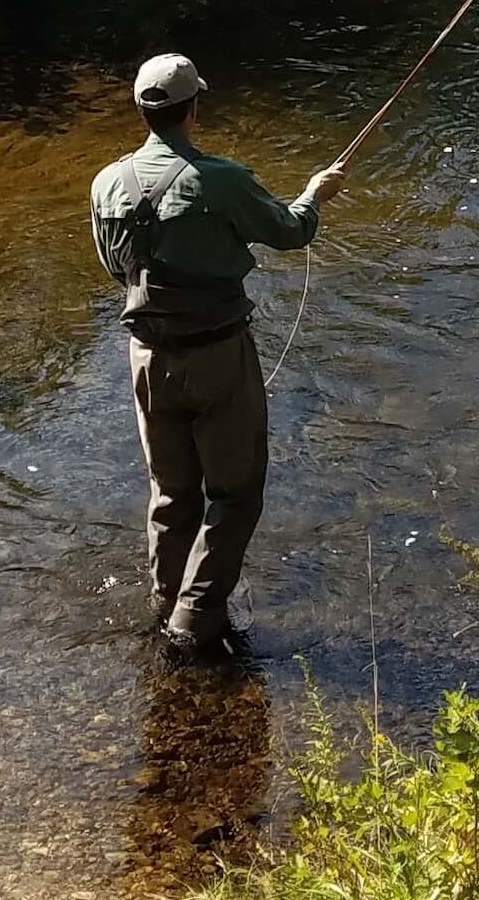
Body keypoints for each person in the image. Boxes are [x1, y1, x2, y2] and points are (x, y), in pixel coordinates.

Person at [91, 53, 346, 659]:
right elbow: (291, 231)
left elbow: (113, 267)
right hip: (217, 358)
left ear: (141, 109)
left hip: (147, 358)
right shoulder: (223, 178)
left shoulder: (107, 183)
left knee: (171, 490)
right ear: (194, 108)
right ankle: (197, 619)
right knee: (235, 492)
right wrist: (313, 192)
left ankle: (165, 599)